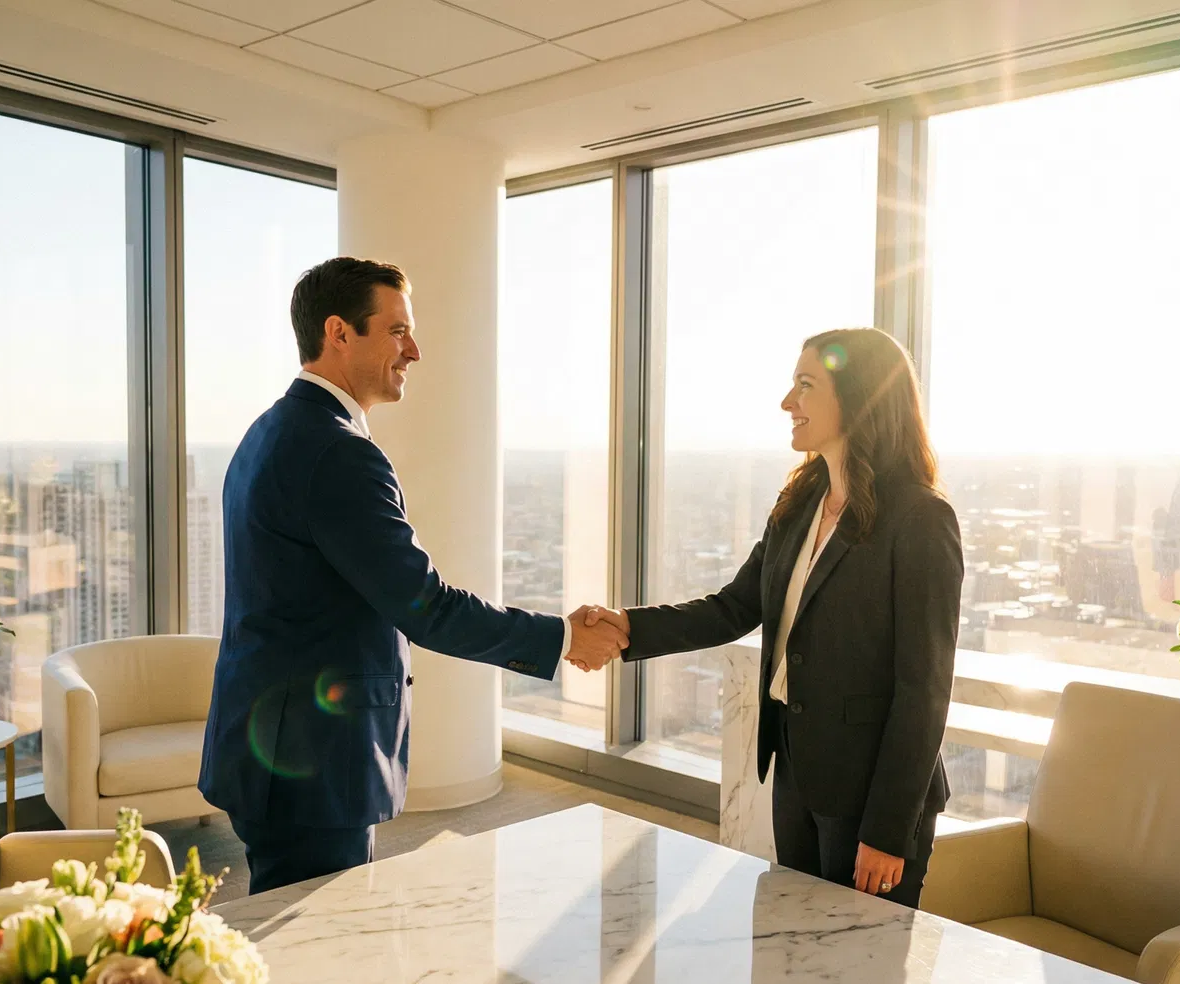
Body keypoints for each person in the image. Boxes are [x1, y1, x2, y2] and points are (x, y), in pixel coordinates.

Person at [200, 256, 629, 894]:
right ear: (339, 333)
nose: (415, 350)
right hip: (311, 760)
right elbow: (425, 606)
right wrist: (563, 638)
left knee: (298, 940)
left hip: (276, 744)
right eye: (398, 330)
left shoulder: (271, 430)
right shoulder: (338, 450)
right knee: (323, 950)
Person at [579, 328, 961, 907]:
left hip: (871, 799)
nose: (788, 403)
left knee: (862, 978)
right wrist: (628, 628)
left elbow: (924, 690)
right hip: (797, 776)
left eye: (805, 386)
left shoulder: (920, 519)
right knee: (798, 958)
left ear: (858, 398)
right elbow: (735, 606)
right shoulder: (802, 502)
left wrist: (887, 831)